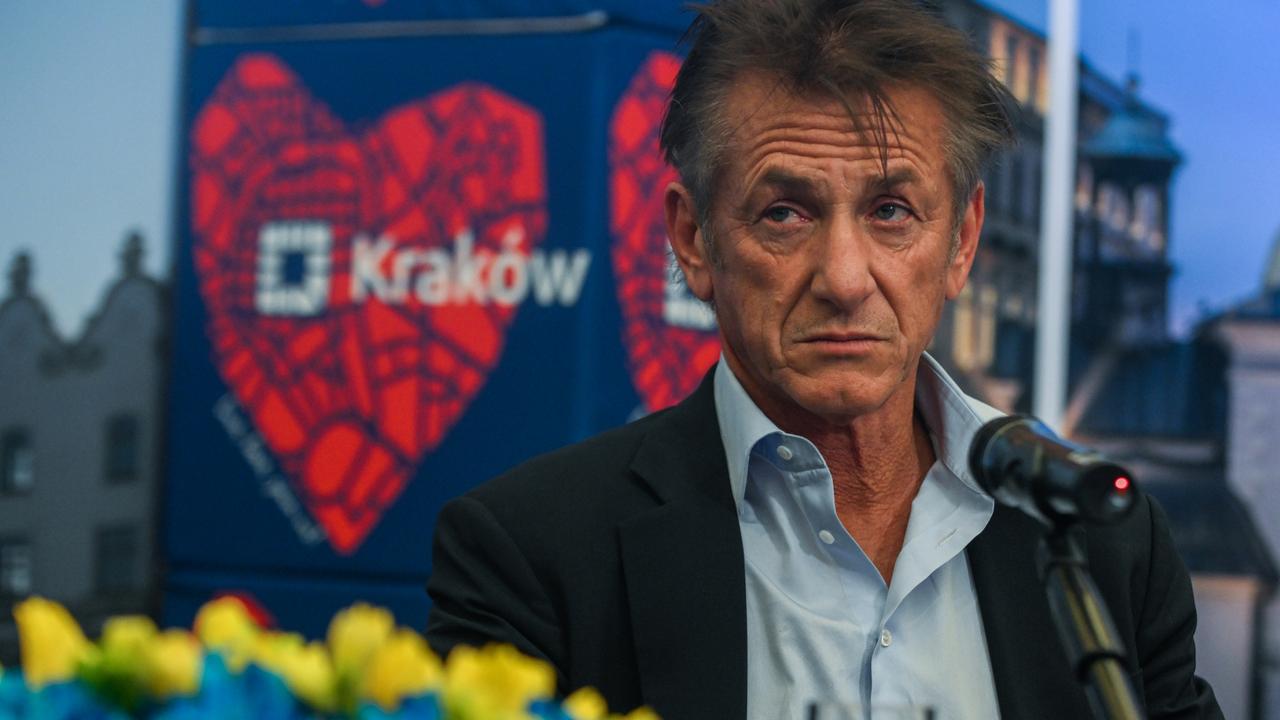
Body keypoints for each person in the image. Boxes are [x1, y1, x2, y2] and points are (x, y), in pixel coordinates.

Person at [425, 1, 1222, 717]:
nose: (845, 278)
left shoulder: (1105, 541)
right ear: (694, 239)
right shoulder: (533, 553)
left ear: (962, 240)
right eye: (785, 214)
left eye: (890, 211)